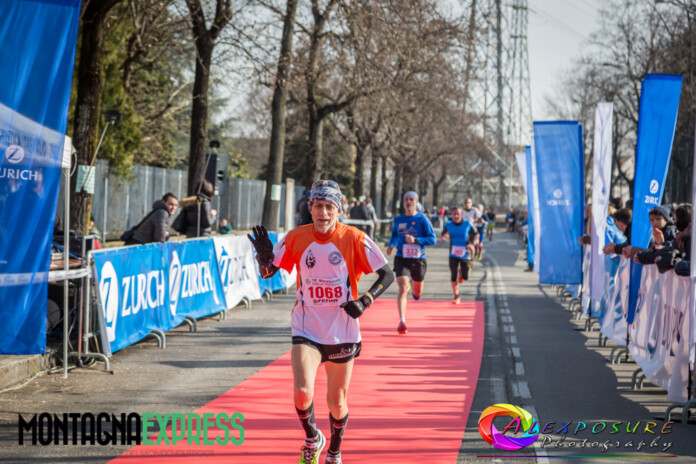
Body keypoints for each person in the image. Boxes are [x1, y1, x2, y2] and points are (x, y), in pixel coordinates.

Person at [247, 180, 393, 464]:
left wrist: (365, 301)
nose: (323, 213)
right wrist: (262, 258)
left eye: (329, 207)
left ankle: (334, 452)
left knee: (337, 402)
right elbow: (267, 273)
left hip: (342, 330)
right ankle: (312, 438)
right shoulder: (296, 237)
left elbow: (387, 274)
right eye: (318, 206)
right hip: (307, 327)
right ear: (310, 208)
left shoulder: (354, 238)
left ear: (338, 210)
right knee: (302, 393)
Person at [387, 191, 437, 334]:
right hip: (402, 257)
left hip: (418, 259)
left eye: (411, 199)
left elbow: (432, 239)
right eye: (406, 200)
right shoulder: (398, 220)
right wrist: (391, 245)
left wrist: (416, 240)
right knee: (403, 288)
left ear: (416, 202)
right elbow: (395, 235)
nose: (408, 202)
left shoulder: (422, 219)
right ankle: (402, 321)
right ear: (403, 203)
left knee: (417, 291)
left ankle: (415, 289)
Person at [440, 206, 478, 304]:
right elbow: (443, 235)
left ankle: (462, 272)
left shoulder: (468, 224)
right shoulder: (448, 225)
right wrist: (444, 237)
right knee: (453, 275)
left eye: (458, 214)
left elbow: (476, 235)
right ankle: (456, 296)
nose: (456, 216)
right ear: (451, 215)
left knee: (465, 277)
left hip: (465, 253)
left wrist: (472, 243)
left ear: (462, 215)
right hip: (453, 254)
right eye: (454, 214)